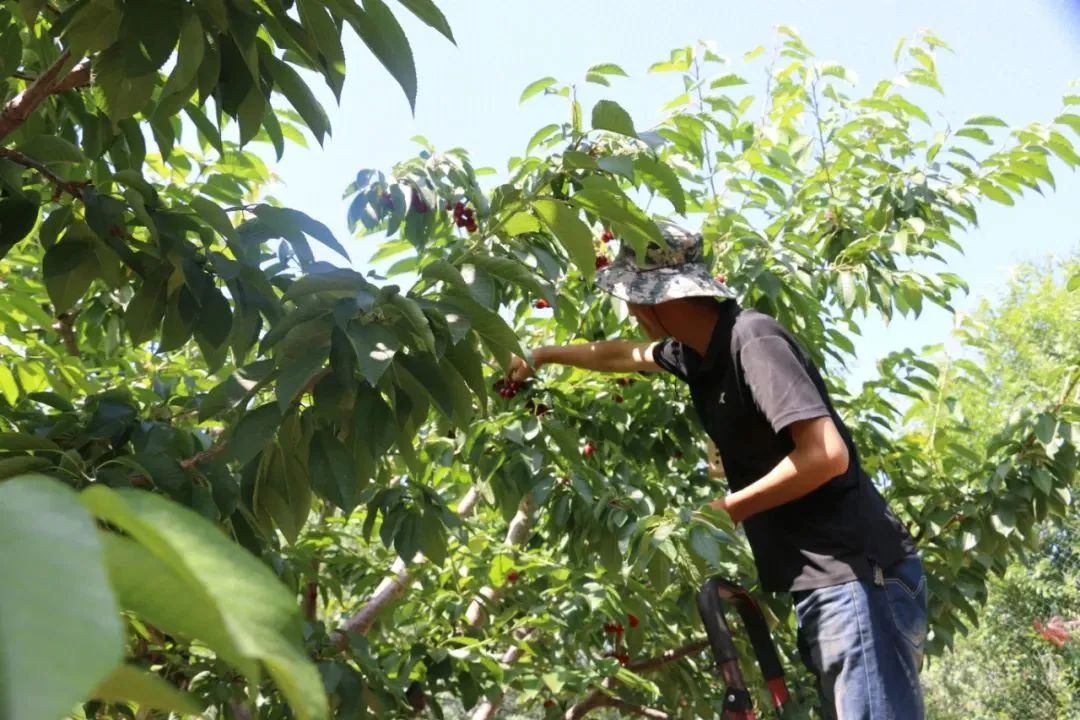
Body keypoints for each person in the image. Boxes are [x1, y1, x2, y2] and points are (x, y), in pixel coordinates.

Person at [508, 222, 929, 719]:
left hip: (858, 577)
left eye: (633, 297)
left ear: (662, 299)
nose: (631, 311)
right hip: (827, 583)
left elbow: (825, 454)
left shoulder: (752, 340)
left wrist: (725, 509)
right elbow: (623, 354)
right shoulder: (698, 353)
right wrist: (542, 355)